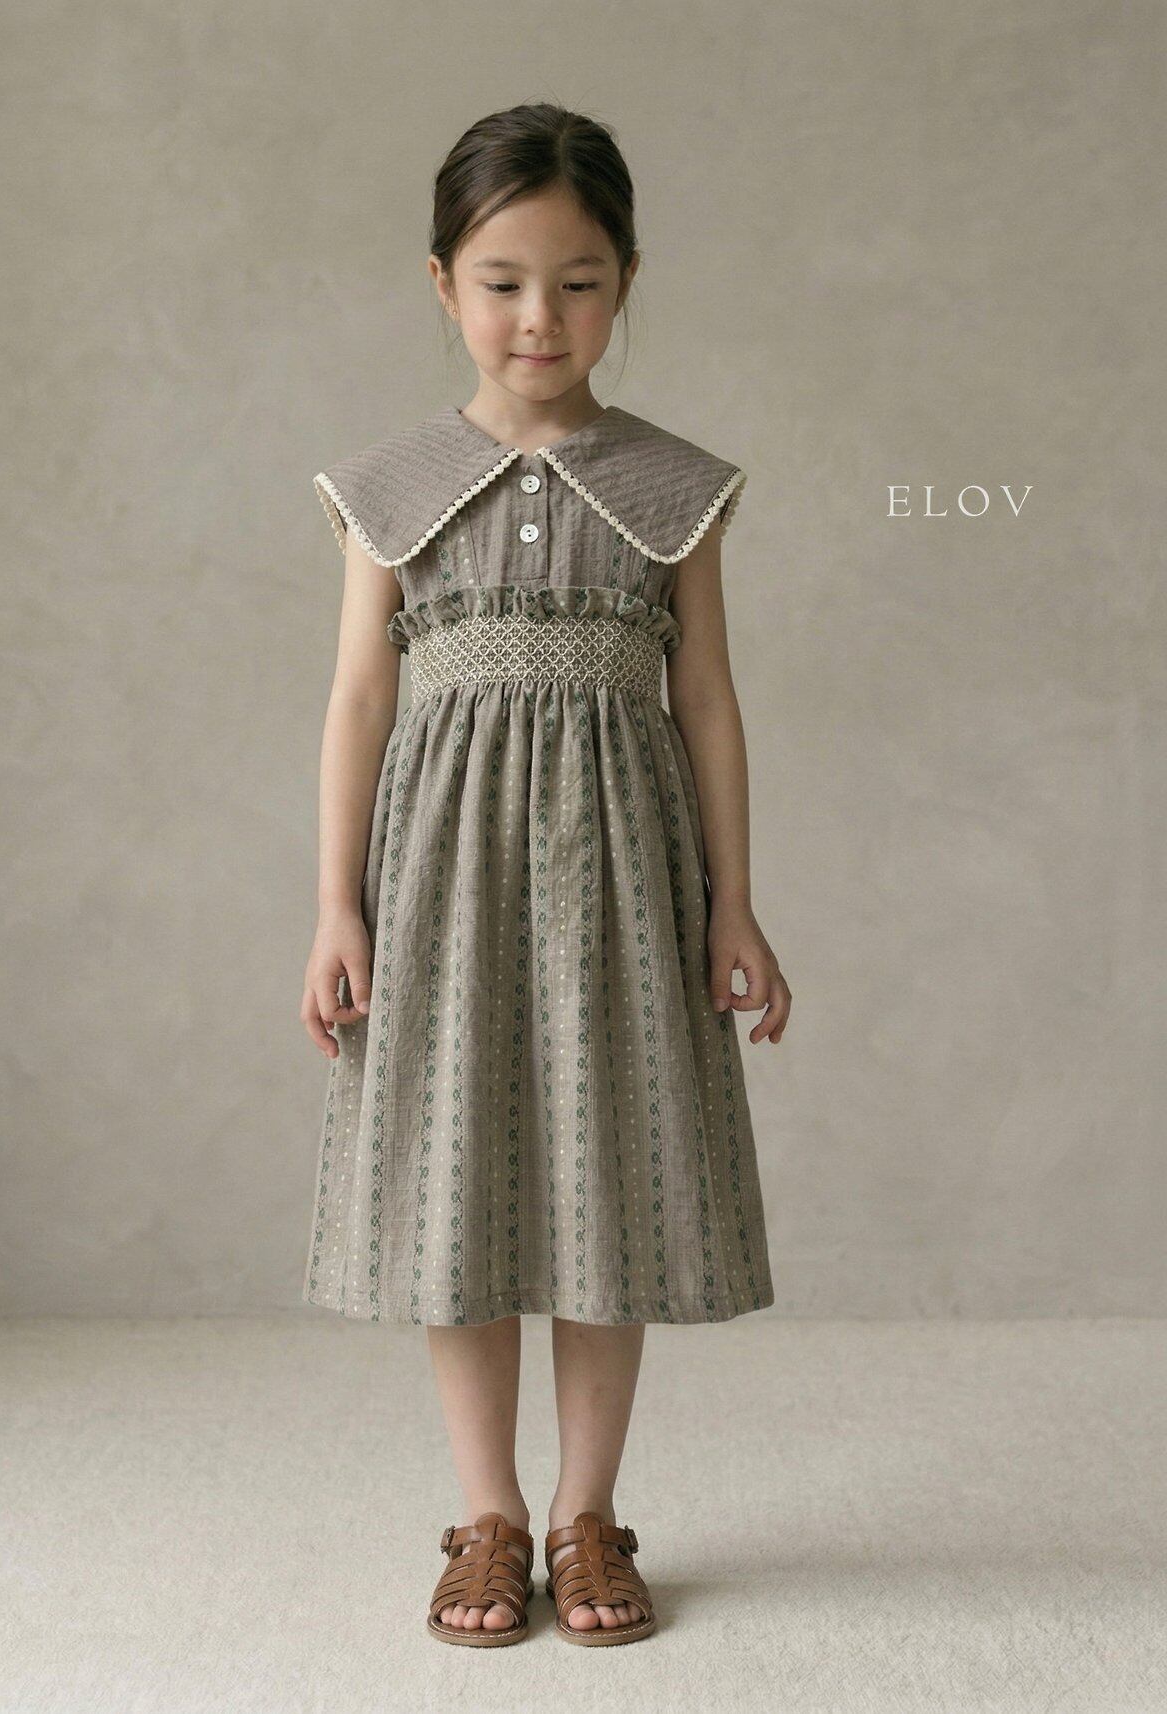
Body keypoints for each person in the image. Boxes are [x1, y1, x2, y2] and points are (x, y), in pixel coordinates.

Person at [299, 102, 791, 1648]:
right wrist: (334, 905)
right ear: (443, 283)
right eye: (503, 281)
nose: (540, 317)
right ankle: (487, 1514)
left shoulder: (673, 487)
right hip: (442, 883)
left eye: (579, 283)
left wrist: (733, 899)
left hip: (620, 880)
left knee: (605, 1177)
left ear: (625, 281)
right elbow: (358, 700)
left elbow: (707, 696)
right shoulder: (390, 488)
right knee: (457, 1182)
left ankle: (588, 1511)